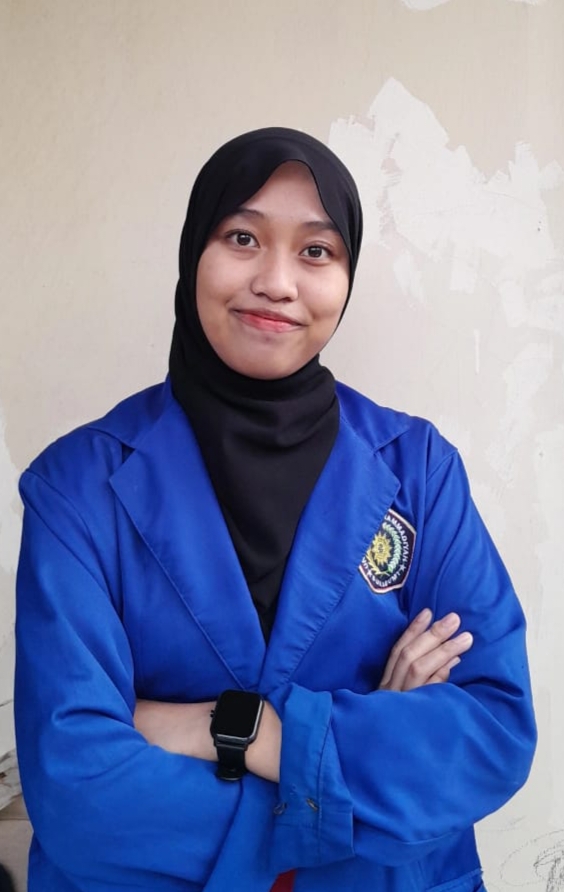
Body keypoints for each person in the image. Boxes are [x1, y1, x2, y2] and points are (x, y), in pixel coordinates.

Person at [15, 128, 536, 892]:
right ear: (195, 249)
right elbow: (79, 793)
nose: (277, 281)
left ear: (346, 276)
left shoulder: (418, 469)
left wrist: (246, 734)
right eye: (242, 238)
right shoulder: (77, 487)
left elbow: (492, 734)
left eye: (316, 251)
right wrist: (365, 758)